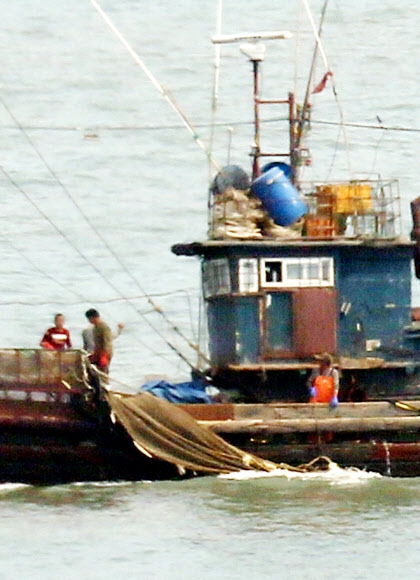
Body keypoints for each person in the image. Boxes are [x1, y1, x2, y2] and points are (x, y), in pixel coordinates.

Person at [84, 308, 114, 373]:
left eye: (89, 319)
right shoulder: (95, 327)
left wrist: (105, 354)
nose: (89, 321)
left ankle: (104, 381)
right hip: (98, 352)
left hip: (105, 353)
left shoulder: (104, 327)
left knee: (104, 370)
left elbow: (107, 341)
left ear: (93, 318)